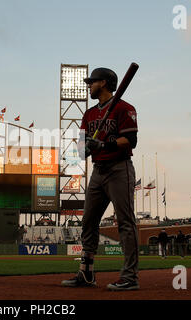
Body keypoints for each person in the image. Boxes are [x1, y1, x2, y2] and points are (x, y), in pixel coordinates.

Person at [61, 67, 139, 291]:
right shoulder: (89, 114)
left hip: (119, 168)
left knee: (125, 221)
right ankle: (86, 274)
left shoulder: (125, 108)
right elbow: (81, 148)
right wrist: (84, 149)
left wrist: (104, 144)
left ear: (103, 83)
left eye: (92, 82)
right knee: (88, 221)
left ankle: (130, 277)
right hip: (98, 170)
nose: (89, 85)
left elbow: (130, 140)